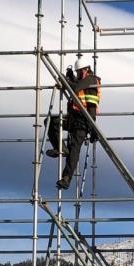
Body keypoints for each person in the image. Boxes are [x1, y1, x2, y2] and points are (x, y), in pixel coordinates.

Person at [45, 57, 101, 190]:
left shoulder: (92, 79)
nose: (78, 74)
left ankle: (66, 178)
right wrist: (70, 79)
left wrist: (93, 129)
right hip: (73, 119)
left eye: (79, 72)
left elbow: (79, 91)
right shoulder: (84, 80)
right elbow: (77, 86)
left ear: (86, 70)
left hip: (83, 122)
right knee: (51, 122)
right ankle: (61, 148)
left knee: (74, 150)